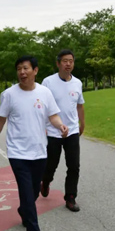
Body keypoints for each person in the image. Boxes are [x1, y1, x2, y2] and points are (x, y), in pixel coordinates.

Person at [0, 56, 68, 231]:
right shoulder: (9, 95)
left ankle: (24, 210)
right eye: (19, 69)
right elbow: (0, 120)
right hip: (17, 153)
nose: (22, 72)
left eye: (25, 68)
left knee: (33, 191)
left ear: (35, 70)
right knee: (26, 193)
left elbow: (53, 115)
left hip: (39, 151)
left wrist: (60, 126)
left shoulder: (44, 92)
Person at [40, 49, 85, 212]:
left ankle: (70, 197)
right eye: (65, 61)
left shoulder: (77, 83)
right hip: (53, 132)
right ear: (58, 63)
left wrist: (82, 123)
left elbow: (79, 105)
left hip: (72, 131)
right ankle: (45, 181)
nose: (68, 64)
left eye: (71, 61)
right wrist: (42, 128)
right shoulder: (48, 82)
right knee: (51, 164)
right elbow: (42, 106)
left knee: (74, 166)